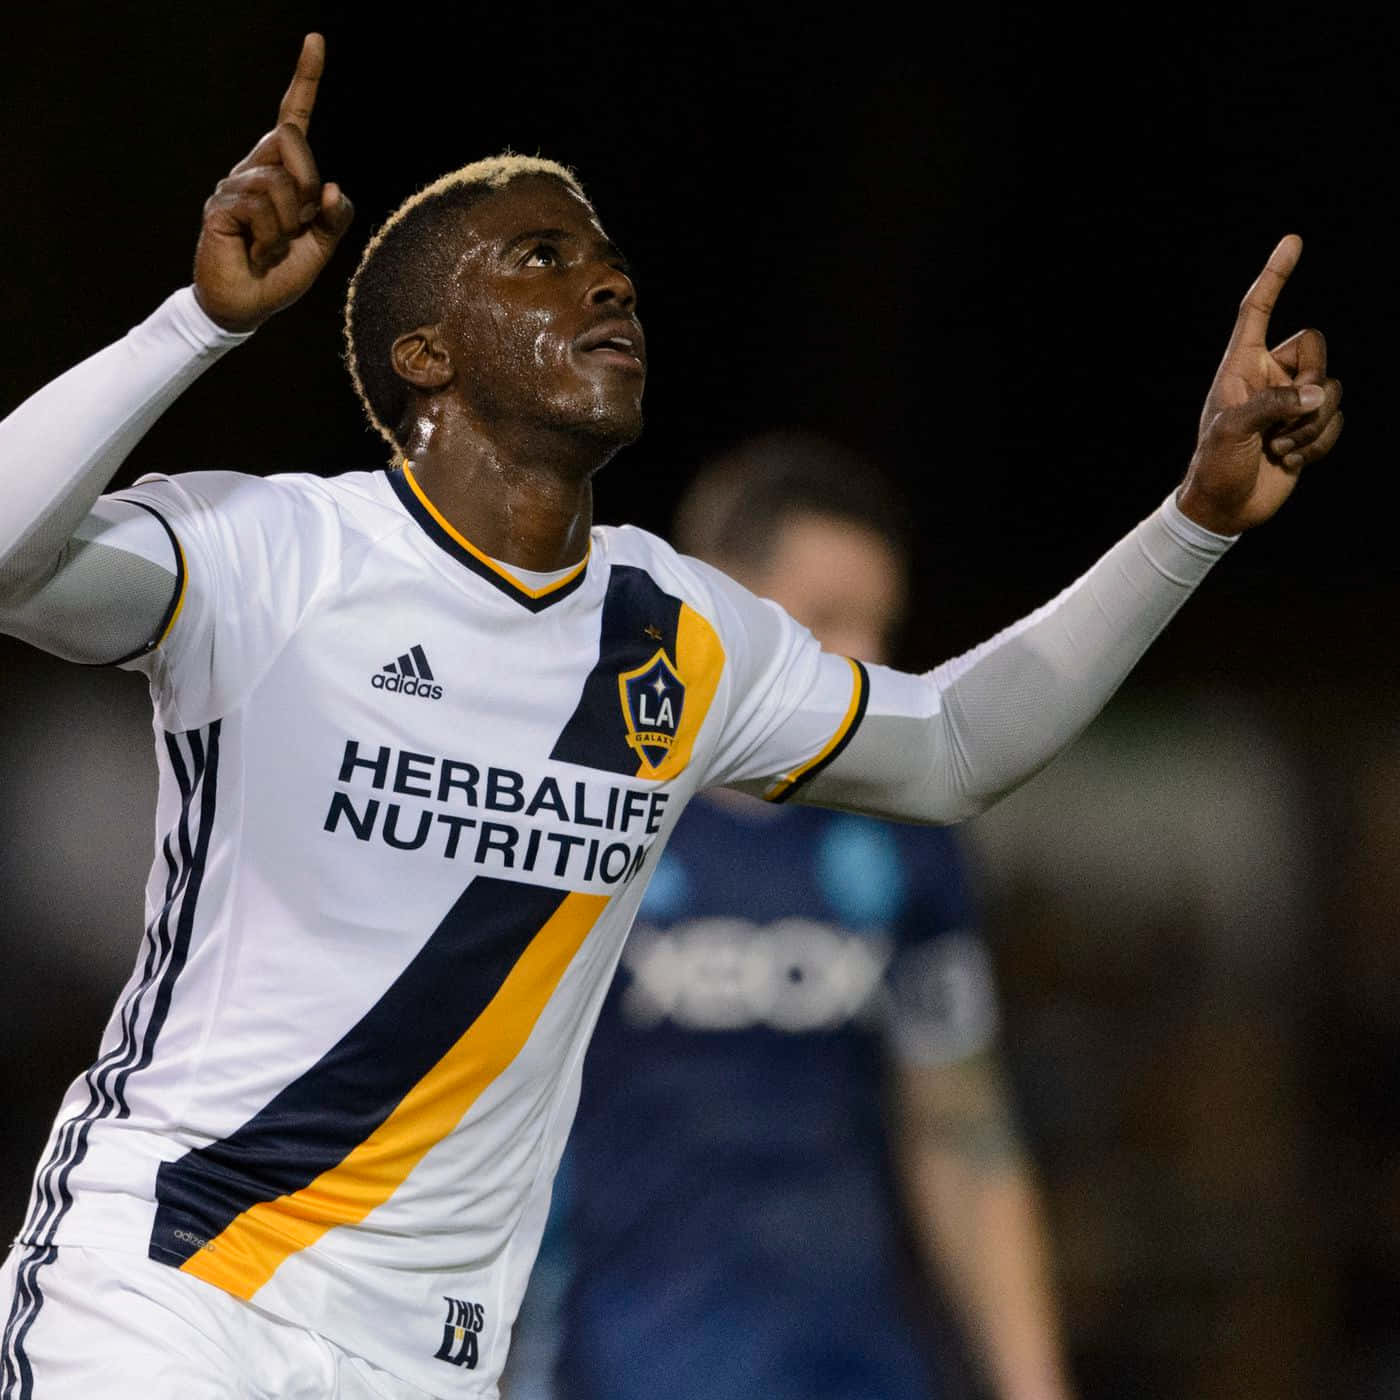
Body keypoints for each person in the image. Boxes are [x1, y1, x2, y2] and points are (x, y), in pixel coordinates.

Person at [0, 32, 1341, 1400]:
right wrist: (199, 323)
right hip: (172, 1298)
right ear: (425, 354)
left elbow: (949, 748)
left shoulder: (680, 630)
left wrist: (1197, 521)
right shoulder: (275, 553)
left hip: (426, 1361)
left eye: (611, 265)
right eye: (539, 259)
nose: (606, 282)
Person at [542, 434, 1075, 1400]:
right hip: (618, 1367)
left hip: (859, 1368)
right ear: (719, 608)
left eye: (882, 628)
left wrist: (1033, 1386)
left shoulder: (910, 846)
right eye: (829, 620)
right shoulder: (587, 822)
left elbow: (960, 1132)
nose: (865, 662)